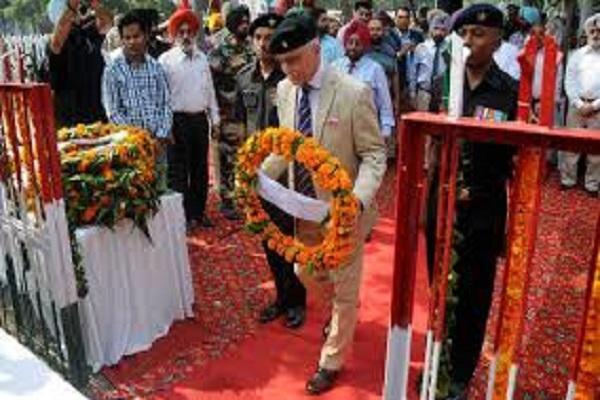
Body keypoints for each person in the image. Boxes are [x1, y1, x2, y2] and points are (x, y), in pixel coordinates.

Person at [265, 13, 387, 395]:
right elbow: (288, 144)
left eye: (294, 59)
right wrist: (258, 177)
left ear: (316, 49)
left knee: (346, 289)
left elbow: (374, 155)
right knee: (303, 269)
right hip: (302, 206)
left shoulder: (353, 91)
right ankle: (338, 313)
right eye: (282, 62)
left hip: (343, 215)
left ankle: (331, 360)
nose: (287, 70)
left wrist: (356, 200)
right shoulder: (286, 90)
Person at [446, 5, 518, 398]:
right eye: (464, 34)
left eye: (477, 34)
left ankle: (460, 372)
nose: (468, 42)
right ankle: (440, 356)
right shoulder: (448, 82)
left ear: (497, 41)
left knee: (474, 292)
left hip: (483, 208)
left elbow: (513, 158)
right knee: (441, 286)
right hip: (444, 204)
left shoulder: (508, 90)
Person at [233, 13, 307, 328]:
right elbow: (238, 125)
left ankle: (298, 301)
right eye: (259, 37)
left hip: (286, 174)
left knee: (290, 238)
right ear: (252, 42)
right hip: (256, 174)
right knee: (268, 239)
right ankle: (281, 296)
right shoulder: (243, 77)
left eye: (269, 37)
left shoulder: (291, 80)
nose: (264, 43)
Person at [159, 3, 220, 231]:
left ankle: (198, 213)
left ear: (195, 33)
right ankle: (181, 217)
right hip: (177, 121)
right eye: (181, 32)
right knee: (178, 172)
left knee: (200, 170)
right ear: (174, 35)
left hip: (199, 121)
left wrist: (216, 120)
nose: (185, 36)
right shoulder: (165, 61)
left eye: (189, 32)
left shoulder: (203, 58)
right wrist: (166, 127)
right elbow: (162, 97)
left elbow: (210, 90)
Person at [101, 10, 173, 186]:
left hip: (158, 147)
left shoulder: (156, 67)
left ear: (146, 36)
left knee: (160, 195)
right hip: (129, 147)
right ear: (122, 39)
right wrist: (138, 139)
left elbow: (166, 104)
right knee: (136, 199)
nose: (132, 42)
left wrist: (160, 136)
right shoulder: (113, 71)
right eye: (127, 38)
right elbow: (113, 112)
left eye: (136, 36)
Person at [209, 5, 255, 220]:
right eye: (242, 22)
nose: (245, 25)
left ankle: (247, 197)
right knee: (227, 157)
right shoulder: (219, 47)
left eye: (247, 21)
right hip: (228, 111)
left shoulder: (251, 45)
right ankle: (227, 201)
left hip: (250, 111)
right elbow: (211, 82)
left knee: (248, 155)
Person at [49, 0, 111, 127]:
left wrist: (95, 3)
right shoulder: (53, 43)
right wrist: (71, 6)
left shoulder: (87, 32)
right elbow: (57, 42)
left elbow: (107, 22)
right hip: (70, 120)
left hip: (96, 114)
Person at [560, 13, 600, 196]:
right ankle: (568, 180)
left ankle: (592, 184)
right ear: (588, 32)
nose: (596, 34)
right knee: (571, 146)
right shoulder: (577, 55)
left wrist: (594, 106)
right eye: (593, 31)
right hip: (576, 106)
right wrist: (577, 102)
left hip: (598, 109)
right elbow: (569, 81)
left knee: (596, 150)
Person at [334, 20, 395, 139]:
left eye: (358, 44)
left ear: (365, 45)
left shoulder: (375, 69)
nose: (353, 47)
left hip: (367, 128)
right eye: (350, 43)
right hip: (340, 128)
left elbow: (385, 103)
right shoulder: (335, 67)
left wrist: (386, 130)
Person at [413, 12, 450, 112]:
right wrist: (412, 94)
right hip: (424, 93)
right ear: (430, 29)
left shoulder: (450, 49)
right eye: (436, 28)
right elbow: (413, 74)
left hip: (443, 95)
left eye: (443, 30)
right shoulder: (421, 48)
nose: (439, 32)